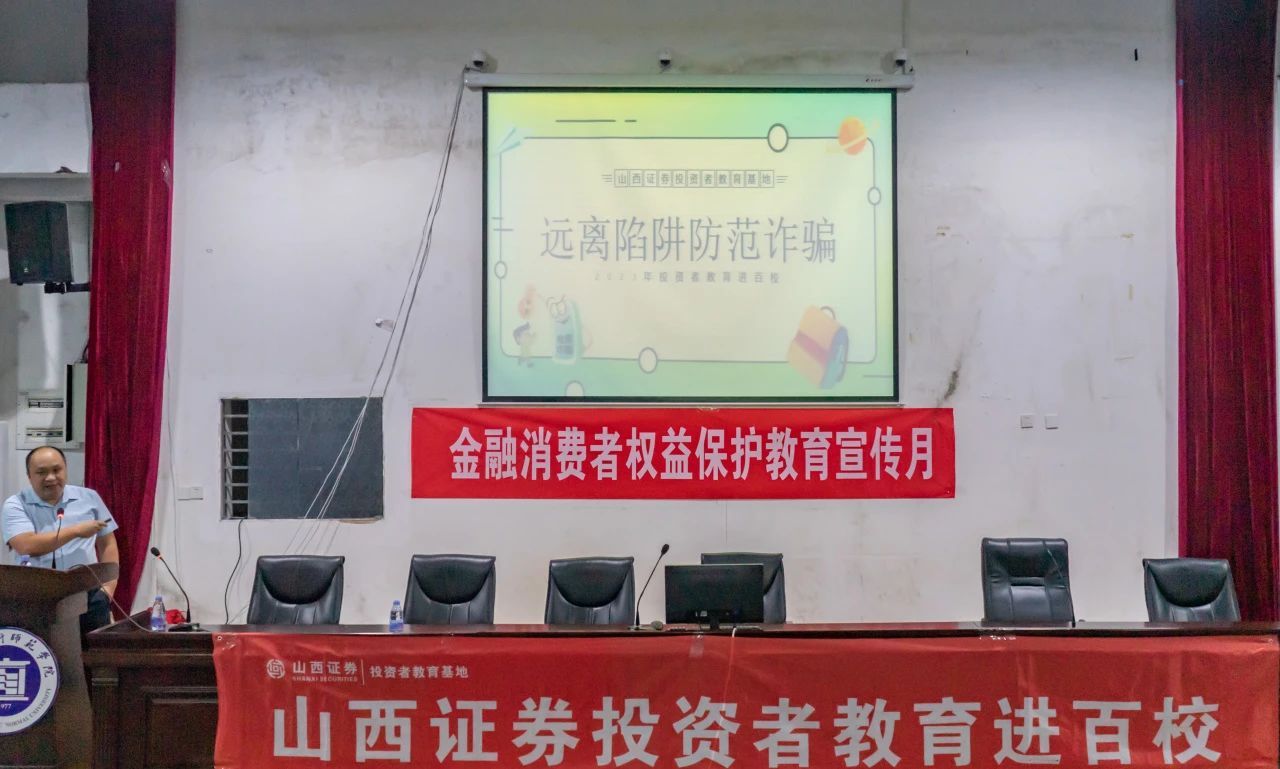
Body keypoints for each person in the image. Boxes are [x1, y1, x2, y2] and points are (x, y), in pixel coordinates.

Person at [2, 445, 119, 633]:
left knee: (94, 650)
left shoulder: (89, 498)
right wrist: (76, 531)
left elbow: (107, 543)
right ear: (29, 476)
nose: (51, 477)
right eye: (41, 472)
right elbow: (26, 545)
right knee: (46, 650)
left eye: (57, 470)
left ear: (65, 469)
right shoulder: (16, 504)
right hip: (38, 598)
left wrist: (108, 589)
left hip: (89, 595)